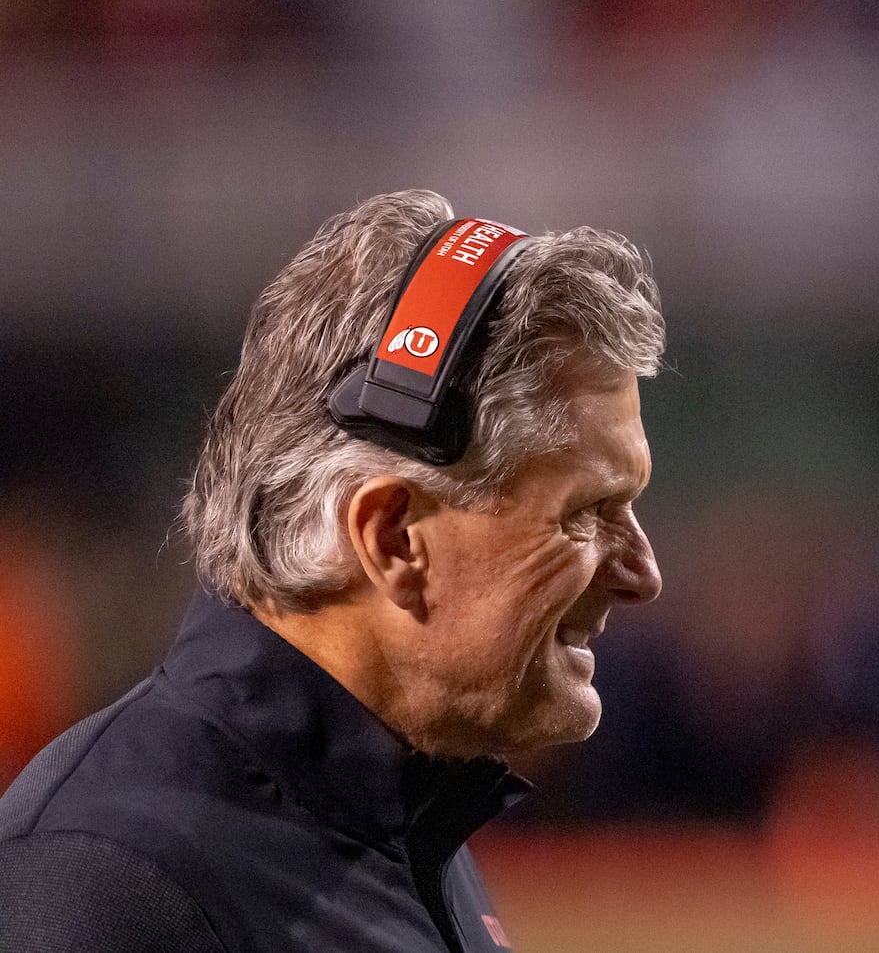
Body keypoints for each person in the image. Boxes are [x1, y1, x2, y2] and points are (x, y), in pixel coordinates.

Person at [0, 190, 665, 952]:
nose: (642, 572)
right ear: (392, 538)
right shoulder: (104, 889)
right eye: (585, 513)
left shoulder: (405, 818)